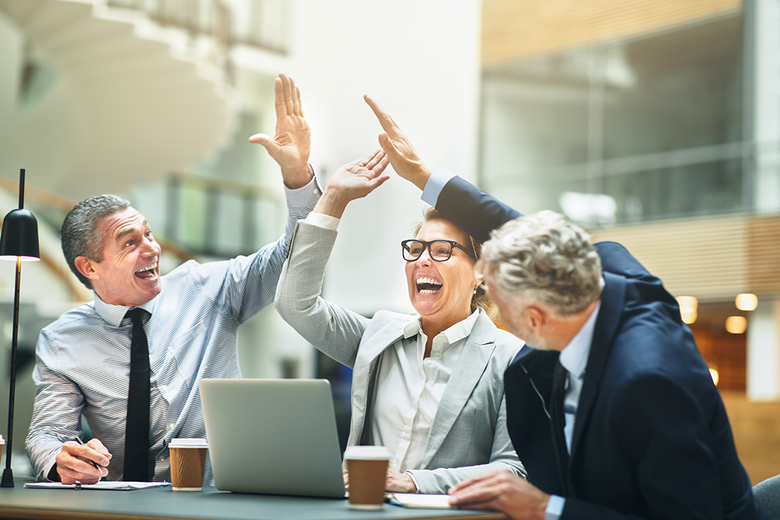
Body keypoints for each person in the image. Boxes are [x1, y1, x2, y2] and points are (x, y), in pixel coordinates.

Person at [364, 94, 770, 519]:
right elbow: (530, 235)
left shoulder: (647, 383)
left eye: (502, 309)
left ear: (535, 320)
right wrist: (424, 176)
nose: (495, 317)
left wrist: (548, 509)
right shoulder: (607, 271)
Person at [25, 73, 321, 485]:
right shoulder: (62, 341)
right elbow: (47, 433)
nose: (152, 249)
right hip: (124, 504)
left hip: (224, 495)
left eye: (148, 233)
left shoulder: (207, 288)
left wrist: (298, 176)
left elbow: (293, 258)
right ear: (88, 267)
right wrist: (61, 457)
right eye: (129, 243)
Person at [274, 149, 526, 494]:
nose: (422, 260)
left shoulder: (511, 357)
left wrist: (412, 483)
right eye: (416, 249)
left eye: (441, 250)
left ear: (480, 273)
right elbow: (294, 303)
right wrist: (333, 200)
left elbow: (512, 470)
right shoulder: (379, 335)